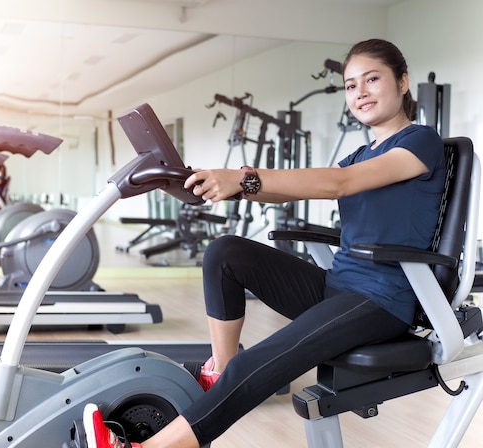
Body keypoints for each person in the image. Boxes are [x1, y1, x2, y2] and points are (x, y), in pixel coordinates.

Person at [81, 38, 446, 448]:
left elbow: (337, 185)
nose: (359, 92)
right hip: (339, 287)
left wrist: (244, 178)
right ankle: (220, 372)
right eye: (350, 85)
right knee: (225, 252)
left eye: (372, 79)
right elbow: (292, 191)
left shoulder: (421, 141)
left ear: (402, 82)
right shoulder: (361, 153)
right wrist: (223, 185)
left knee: (259, 359)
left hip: (383, 300)